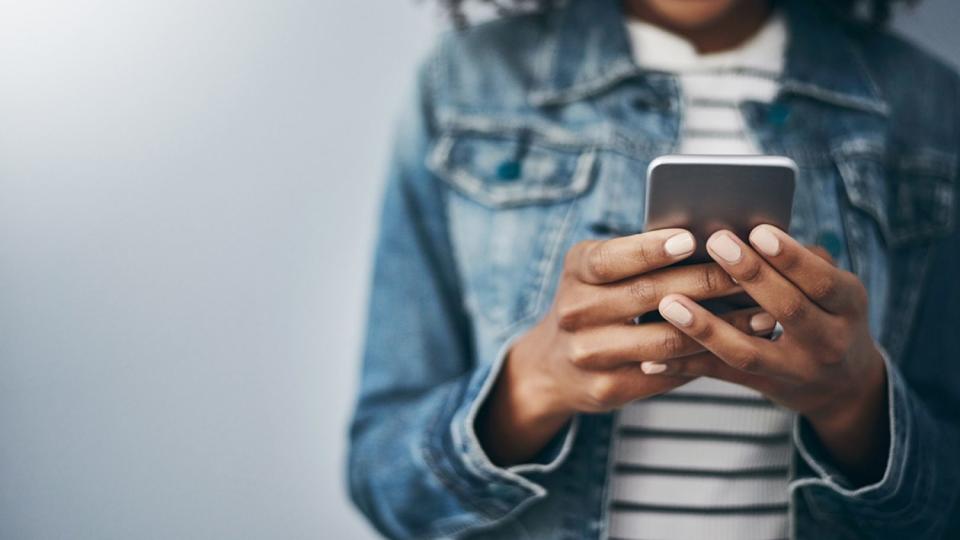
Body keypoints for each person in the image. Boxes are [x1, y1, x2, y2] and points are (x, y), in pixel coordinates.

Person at [348, 0, 960, 538]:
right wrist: (536, 383)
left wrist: (855, 403)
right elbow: (385, 484)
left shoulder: (928, 108)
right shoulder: (466, 84)